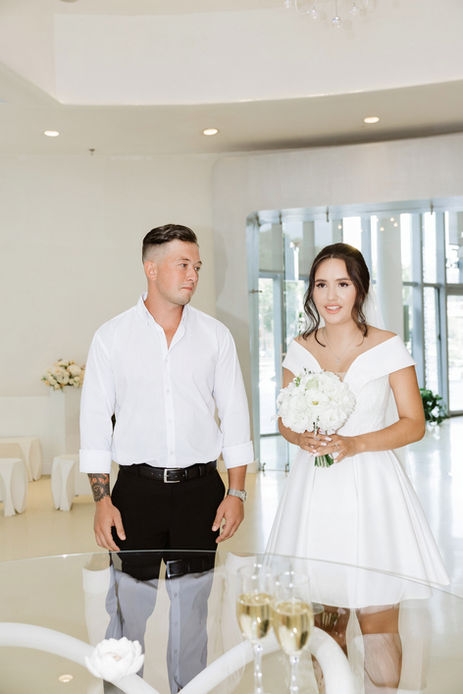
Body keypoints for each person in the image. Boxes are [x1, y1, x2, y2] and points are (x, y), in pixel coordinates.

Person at [265, 243, 448, 691]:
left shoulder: (388, 347)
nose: (331, 296)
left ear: (360, 289)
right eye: (321, 284)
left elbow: (413, 424)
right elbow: (284, 419)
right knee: (325, 622)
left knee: (377, 618)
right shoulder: (300, 348)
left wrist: (355, 443)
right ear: (311, 291)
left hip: (372, 489)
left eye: (342, 284)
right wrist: (298, 436)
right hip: (316, 492)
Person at [79, 223, 253, 693]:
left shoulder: (215, 336)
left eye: (197, 265)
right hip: (135, 492)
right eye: (182, 264)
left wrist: (236, 492)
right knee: (126, 614)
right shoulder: (111, 337)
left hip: (202, 492)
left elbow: (236, 417)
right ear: (151, 269)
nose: (193, 274)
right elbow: (94, 425)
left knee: (194, 615)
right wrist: (102, 499)